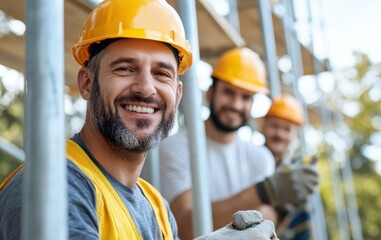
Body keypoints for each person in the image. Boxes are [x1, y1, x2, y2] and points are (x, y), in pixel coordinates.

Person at [0, 0, 278, 239]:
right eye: (125, 68)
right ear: (86, 84)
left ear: (178, 95)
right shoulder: (54, 186)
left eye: (162, 74)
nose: (146, 88)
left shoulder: (156, 206)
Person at [159, 47, 319, 239]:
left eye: (245, 97)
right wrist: (264, 192)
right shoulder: (175, 147)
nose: (236, 104)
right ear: (210, 93)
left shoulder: (260, 157)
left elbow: (265, 226)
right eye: (228, 92)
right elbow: (186, 228)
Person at [261, 94, 317, 240]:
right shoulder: (248, 162)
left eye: (286, 129)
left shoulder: (298, 174)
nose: (279, 134)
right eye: (274, 126)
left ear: (295, 134)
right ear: (263, 125)